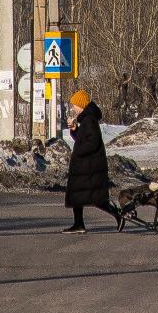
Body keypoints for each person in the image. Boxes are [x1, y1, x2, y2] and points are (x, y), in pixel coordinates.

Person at [62, 90, 116, 232]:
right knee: (78, 196)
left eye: (74, 105)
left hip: (88, 165)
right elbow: (83, 138)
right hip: (86, 164)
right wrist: (74, 129)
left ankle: (118, 215)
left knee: (93, 198)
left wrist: (78, 152)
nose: (73, 108)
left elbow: (93, 142)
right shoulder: (87, 119)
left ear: (81, 105)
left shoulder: (89, 119)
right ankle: (78, 224)